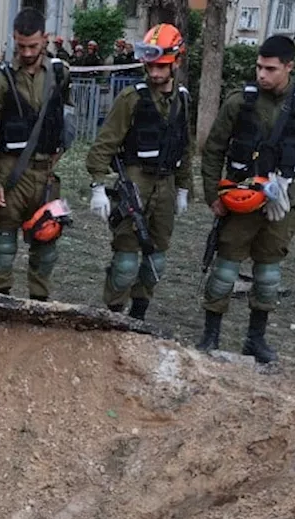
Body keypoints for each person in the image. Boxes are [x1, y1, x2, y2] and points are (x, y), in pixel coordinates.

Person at [197, 35, 295, 363]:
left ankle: (255, 340)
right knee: (225, 270)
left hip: (282, 205)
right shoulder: (239, 102)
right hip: (238, 201)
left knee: (268, 276)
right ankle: (210, 336)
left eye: (270, 69)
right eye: (258, 67)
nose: (262, 75)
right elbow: (213, 149)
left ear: (289, 67)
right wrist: (213, 194)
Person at [85, 24, 192, 320]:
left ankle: (139, 317)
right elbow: (104, 144)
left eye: (161, 66)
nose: (155, 72)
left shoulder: (182, 99)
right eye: (151, 65)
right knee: (125, 262)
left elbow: (185, 146)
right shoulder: (131, 98)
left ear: (176, 63)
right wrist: (98, 186)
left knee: (156, 261)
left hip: (167, 185)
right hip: (135, 181)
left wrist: (184, 188)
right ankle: (114, 315)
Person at [0, 8, 72, 299]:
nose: (27, 52)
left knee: (46, 246)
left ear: (45, 39)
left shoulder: (60, 73)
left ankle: (39, 306)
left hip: (45, 177)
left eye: (33, 45)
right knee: (3, 247)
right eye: (21, 46)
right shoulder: (0, 81)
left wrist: (60, 149)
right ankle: (0, 304)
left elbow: (65, 117)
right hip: (9, 174)